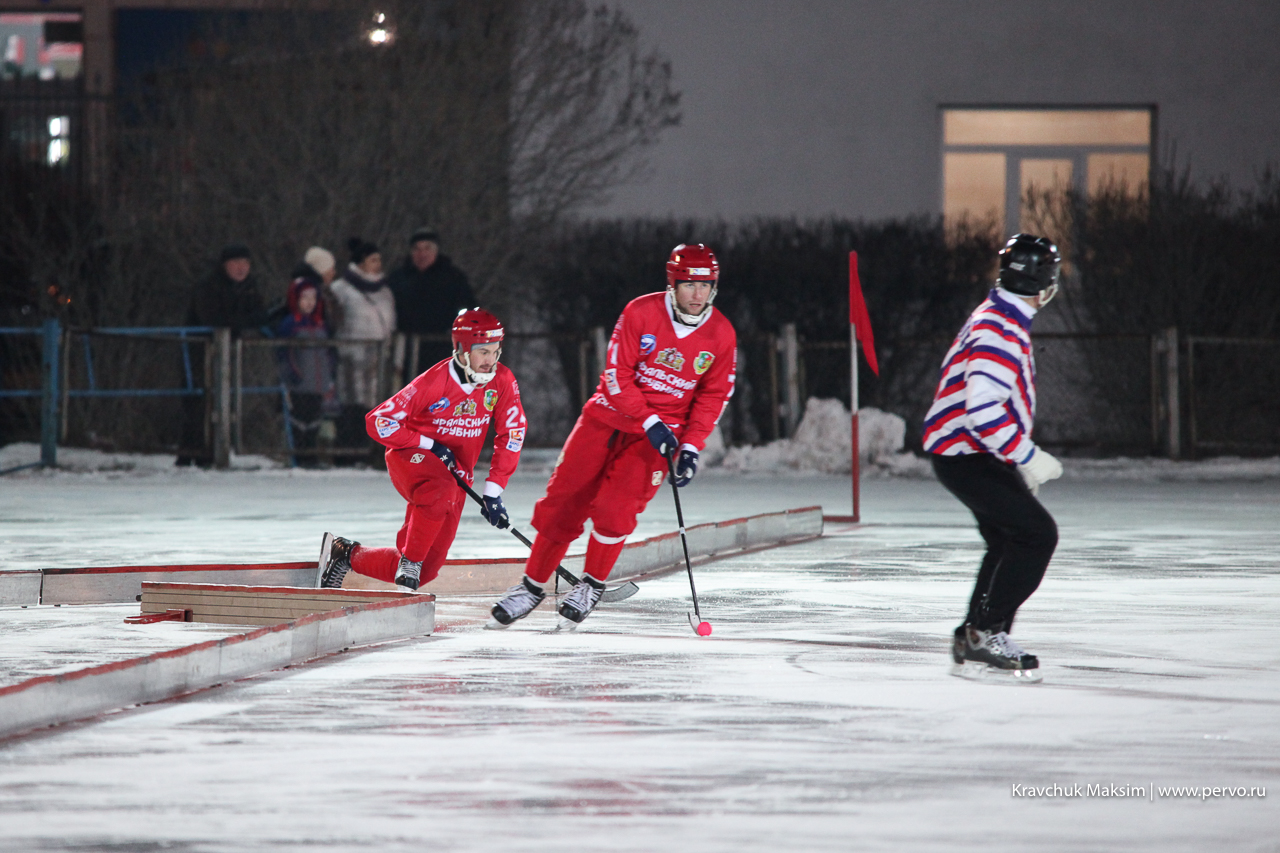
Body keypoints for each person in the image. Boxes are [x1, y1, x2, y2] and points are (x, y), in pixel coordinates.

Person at [488, 243, 737, 629]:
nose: (697, 295)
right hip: (607, 419)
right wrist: (650, 420)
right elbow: (617, 375)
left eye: (705, 286)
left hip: (658, 438)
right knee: (562, 504)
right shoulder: (641, 312)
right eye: (689, 285)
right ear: (673, 285)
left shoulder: (721, 334)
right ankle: (531, 588)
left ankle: (591, 586)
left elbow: (714, 396)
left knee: (615, 510)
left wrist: (690, 446)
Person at [922, 233, 1064, 682]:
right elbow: (982, 411)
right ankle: (986, 632)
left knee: (1007, 539)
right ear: (1044, 284)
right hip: (966, 454)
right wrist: (1027, 455)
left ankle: (976, 633)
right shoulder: (1000, 327)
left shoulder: (1000, 315)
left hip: (965, 452)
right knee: (1036, 535)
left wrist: (1013, 457)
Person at [317, 308, 527, 591]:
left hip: (456, 475)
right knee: (438, 495)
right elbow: (377, 421)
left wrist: (494, 490)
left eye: (495, 351)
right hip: (410, 457)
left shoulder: (502, 380)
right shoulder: (435, 381)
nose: (491, 360)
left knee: (426, 571)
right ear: (462, 350)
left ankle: (345, 554)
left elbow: (513, 432)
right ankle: (410, 560)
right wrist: (429, 444)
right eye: (483, 352)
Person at [177, 243, 268, 467]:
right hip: (199, 350)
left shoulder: (250, 286)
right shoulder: (208, 285)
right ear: (225, 265)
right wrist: (244, 322)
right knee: (199, 401)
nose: (241, 268)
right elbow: (213, 319)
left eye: (245, 263)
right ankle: (191, 453)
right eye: (236, 263)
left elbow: (260, 314)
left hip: (227, 352)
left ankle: (210, 452)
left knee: (221, 401)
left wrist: (252, 321)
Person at [327, 237, 397, 454]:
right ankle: (348, 451)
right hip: (350, 357)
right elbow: (333, 319)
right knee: (351, 405)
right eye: (373, 260)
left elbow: (391, 323)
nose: (378, 264)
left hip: (377, 359)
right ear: (361, 262)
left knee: (374, 405)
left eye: (379, 259)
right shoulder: (341, 289)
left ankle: (369, 451)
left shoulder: (385, 291)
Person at [276, 248, 338, 464]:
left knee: (315, 420)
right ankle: (299, 456)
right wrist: (292, 374)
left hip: (318, 383)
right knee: (299, 420)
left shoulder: (320, 323)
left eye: (313, 297)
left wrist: (330, 373)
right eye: (304, 298)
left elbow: (328, 352)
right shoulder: (290, 323)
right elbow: (284, 352)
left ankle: (311, 456)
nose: (309, 302)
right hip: (300, 383)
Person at [386, 227, 476, 375]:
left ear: (436, 251)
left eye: (427, 248)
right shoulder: (398, 279)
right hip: (407, 348)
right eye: (417, 249)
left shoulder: (453, 278)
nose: (422, 254)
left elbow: (468, 309)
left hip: (442, 346)